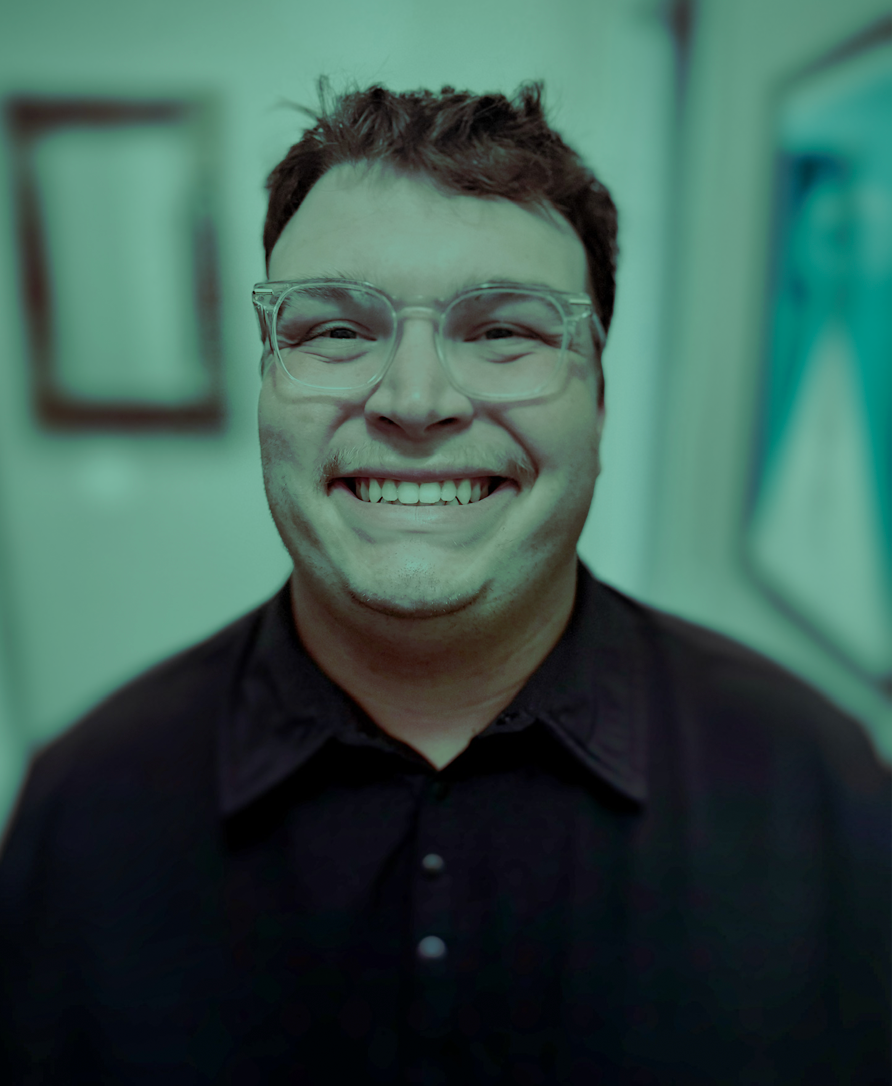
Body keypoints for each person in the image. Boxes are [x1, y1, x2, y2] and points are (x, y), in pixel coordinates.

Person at [1, 79, 889, 1086]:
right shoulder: (83, 811)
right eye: (335, 331)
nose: (415, 400)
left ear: (599, 403)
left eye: (504, 331)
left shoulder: (821, 791)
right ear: (266, 389)